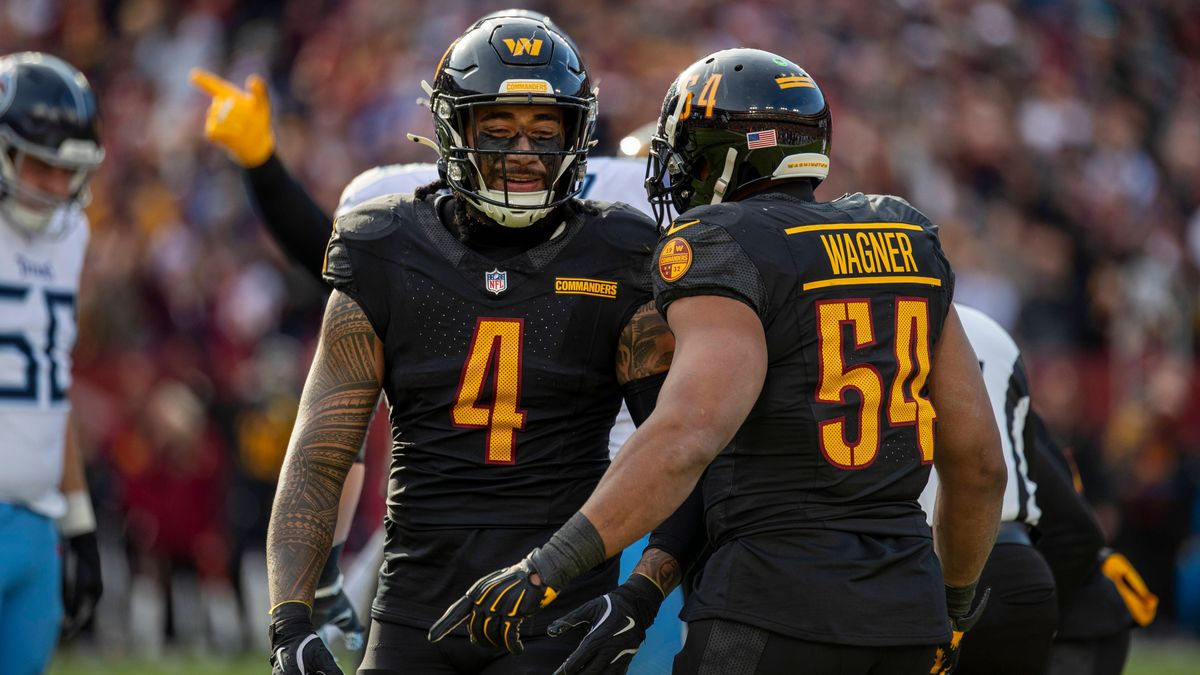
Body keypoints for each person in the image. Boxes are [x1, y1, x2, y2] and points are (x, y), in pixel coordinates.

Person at [431, 48, 1009, 675]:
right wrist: (953, 609)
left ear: (724, 155)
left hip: (770, 605)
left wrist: (547, 568)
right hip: (908, 618)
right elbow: (979, 465)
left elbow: (686, 437)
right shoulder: (905, 237)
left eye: (687, 152)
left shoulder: (722, 244)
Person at [190, 29, 685, 675]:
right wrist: (289, 621)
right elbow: (319, 450)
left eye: (544, 131)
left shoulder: (619, 250)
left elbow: (681, 451)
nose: (524, 153)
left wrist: (640, 594)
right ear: (454, 130)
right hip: (414, 607)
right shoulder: (385, 242)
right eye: (498, 131)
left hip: (557, 606)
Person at [0, 52, 105, 673]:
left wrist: (79, 521)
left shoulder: (71, 234)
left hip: (39, 521)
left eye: (70, 171)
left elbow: (51, 381)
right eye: (42, 164)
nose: (58, 187)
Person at [916, 304, 1059, 674]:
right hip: (1018, 565)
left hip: (916, 564)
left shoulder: (880, 317)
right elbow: (1020, 467)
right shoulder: (991, 330)